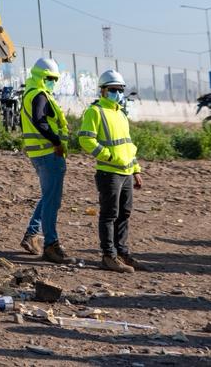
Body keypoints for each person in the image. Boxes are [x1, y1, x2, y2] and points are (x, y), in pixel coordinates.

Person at [78, 70, 146, 273]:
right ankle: (109, 256)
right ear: (103, 90)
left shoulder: (121, 113)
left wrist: (136, 170)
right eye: (113, 89)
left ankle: (122, 253)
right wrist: (107, 156)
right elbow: (85, 139)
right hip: (109, 172)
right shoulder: (95, 111)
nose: (117, 93)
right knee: (109, 214)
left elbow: (128, 145)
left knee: (124, 213)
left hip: (126, 173)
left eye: (120, 90)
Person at [18, 57, 71, 263]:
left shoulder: (31, 93)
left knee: (48, 197)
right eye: (50, 78)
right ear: (41, 77)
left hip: (40, 153)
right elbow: (40, 121)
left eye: (54, 79)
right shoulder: (39, 95)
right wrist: (57, 141)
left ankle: (31, 235)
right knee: (52, 200)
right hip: (49, 153)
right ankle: (51, 244)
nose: (53, 82)